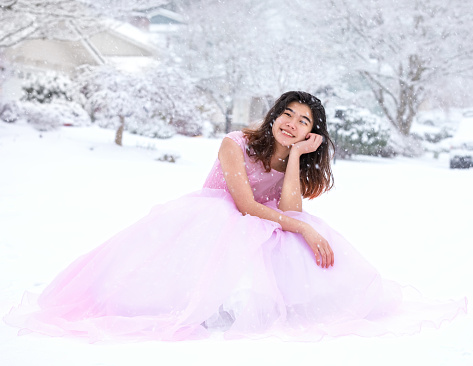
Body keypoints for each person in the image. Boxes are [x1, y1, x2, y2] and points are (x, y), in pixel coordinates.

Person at [4, 91, 466, 342]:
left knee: (299, 230)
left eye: (304, 121)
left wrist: (299, 160)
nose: (292, 124)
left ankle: (286, 305)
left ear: (313, 132)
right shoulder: (236, 143)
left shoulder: (295, 155)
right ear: (273, 116)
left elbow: (287, 208)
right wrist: (299, 224)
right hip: (214, 218)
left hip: (259, 221)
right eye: (287, 114)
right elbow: (245, 206)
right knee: (278, 229)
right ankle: (206, 308)